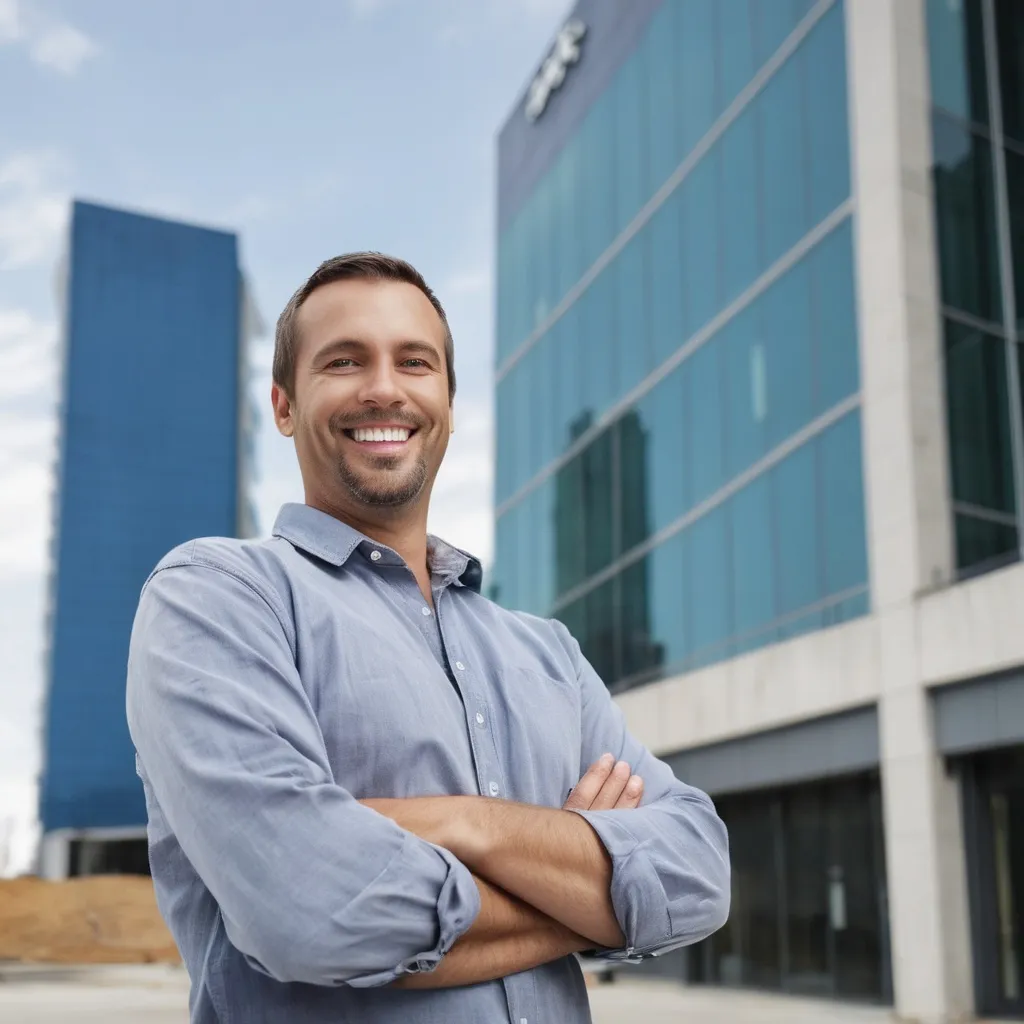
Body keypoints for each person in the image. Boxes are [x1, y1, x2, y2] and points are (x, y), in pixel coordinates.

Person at [126, 253, 730, 1024]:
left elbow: (701, 872)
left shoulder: (548, 655)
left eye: (414, 362)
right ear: (283, 405)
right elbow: (309, 912)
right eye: (344, 361)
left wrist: (461, 823)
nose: (384, 387)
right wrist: (583, 880)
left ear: (446, 400)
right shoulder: (218, 597)